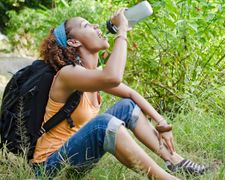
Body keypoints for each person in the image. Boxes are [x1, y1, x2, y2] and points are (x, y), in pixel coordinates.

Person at [32, 8, 208, 179]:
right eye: (87, 26)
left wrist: (162, 123)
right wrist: (122, 30)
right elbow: (113, 77)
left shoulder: (93, 75)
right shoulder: (68, 74)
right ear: (73, 42)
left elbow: (131, 94)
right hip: (48, 168)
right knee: (103, 124)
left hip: (74, 157)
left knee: (127, 106)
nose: (96, 26)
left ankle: (174, 161)